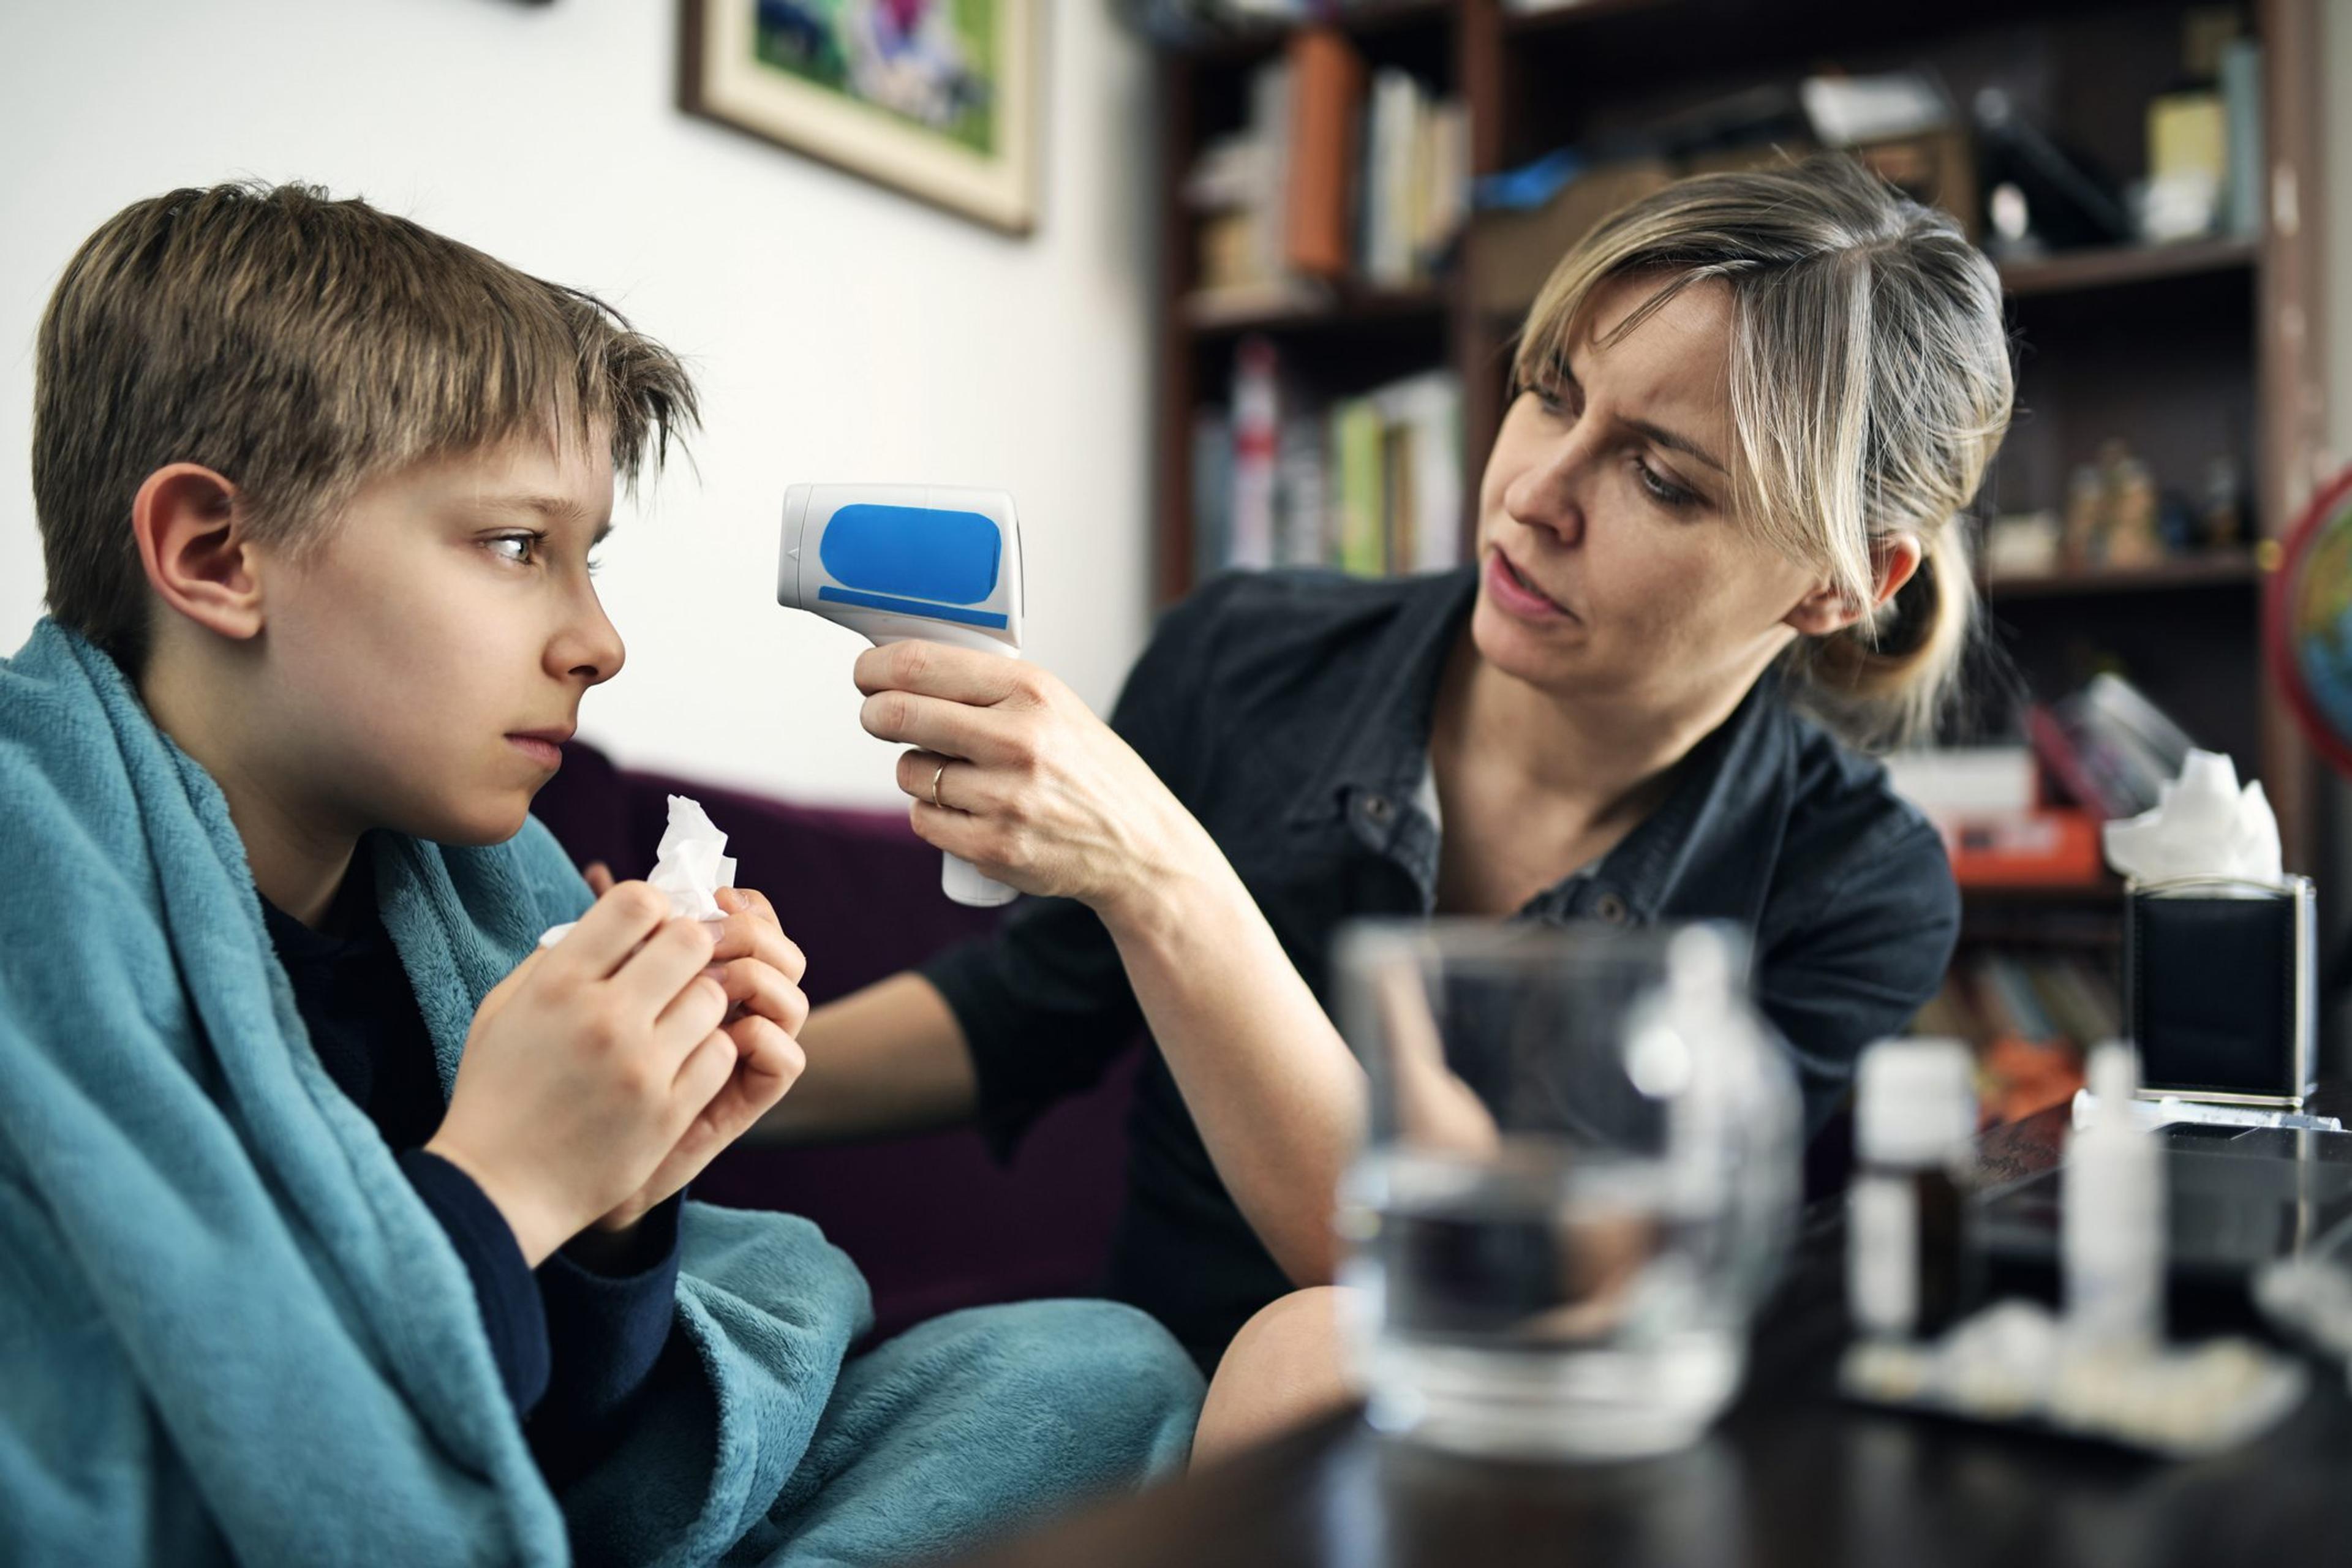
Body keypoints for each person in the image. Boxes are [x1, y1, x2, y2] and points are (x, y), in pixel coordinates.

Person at [0, 181, 1199, 1566]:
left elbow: (568, 1459)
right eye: (519, 547)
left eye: (592, 558)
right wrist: (505, 1182)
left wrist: (622, 1204)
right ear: (216, 553)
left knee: (1096, 1376)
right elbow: (119, 1485)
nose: (599, 641)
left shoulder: (485, 889)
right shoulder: (43, 881)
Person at [767, 154, 2016, 1452]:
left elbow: (1454, 1280)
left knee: (1320, 1349)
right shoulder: (1245, 654)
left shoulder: (1854, 881)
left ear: (1838, 581)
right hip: (1147, 1415)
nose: (1534, 492)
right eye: (1550, 393)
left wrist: (1160, 873)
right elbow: (1027, 1009)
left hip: (1509, 1446)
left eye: (1663, 478)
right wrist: (711, 1067)